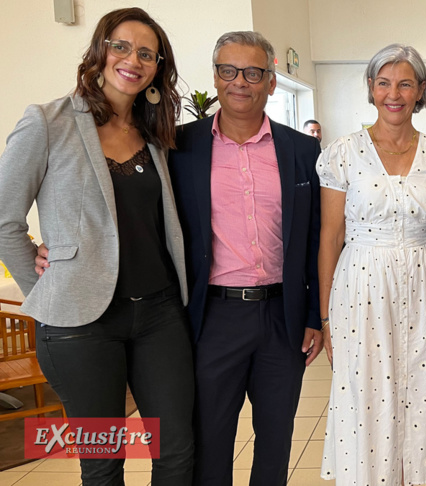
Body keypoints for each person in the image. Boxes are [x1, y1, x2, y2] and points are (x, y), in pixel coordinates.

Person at [0, 7, 194, 484]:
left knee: (177, 452)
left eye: (147, 53)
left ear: (157, 68)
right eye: (121, 46)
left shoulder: (156, 133)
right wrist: (46, 290)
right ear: (100, 50)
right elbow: (4, 222)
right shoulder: (47, 121)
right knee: (103, 461)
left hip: (160, 316)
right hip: (79, 327)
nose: (133, 59)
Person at [317, 43, 426, 486]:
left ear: (420, 91)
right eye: (384, 82)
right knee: (368, 391)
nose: (394, 93)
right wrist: (328, 317)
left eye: (405, 83)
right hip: (363, 286)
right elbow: (330, 237)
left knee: (423, 390)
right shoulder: (342, 153)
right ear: (371, 88)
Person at [168, 32, 323, 485]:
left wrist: (315, 314)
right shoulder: (180, 147)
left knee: (275, 441)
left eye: (253, 72)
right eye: (228, 70)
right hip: (213, 317)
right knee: (210, 441)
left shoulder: (302, 151)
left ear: (271, 82)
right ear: (215, 77)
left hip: (282, 317)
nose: (241, 82)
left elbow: (315, 240)